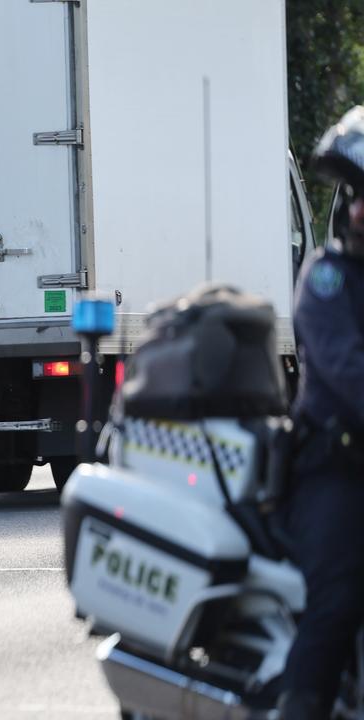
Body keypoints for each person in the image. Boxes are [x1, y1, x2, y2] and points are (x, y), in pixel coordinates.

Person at [279, 107, 364, 720]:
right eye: (357, 196)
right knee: (338, 599)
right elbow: (349, 370)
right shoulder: (327, 280)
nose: (360, 209)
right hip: (334, 470)